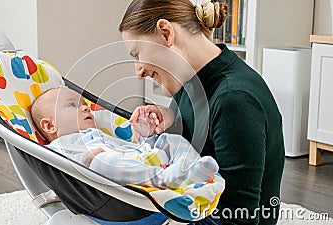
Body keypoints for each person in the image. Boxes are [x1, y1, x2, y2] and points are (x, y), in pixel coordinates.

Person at [120, 0, 285, 224]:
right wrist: (168, 120)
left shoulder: (234, 100)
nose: (138, 71)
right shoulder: (192, 81)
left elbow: (238, 218)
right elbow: (194, 144)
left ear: (166, 33)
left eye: (137, 53)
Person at [30, 87, 220, 188]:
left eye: (84, 103)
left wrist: (145, 139)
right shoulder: (60, 145)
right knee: (100, 161)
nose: (86, 107)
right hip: (118, 173)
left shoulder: (100, 133)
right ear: (49, 125)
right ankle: (167, 178)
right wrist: (85, 159)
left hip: (141, 160)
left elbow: (126, 147)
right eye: (73, 105)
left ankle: (190, 168)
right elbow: (58, 166)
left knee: (171, 141)